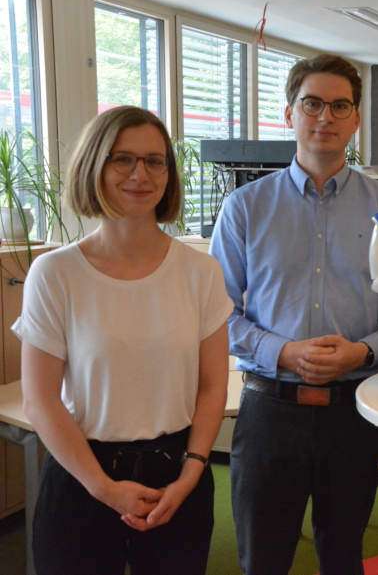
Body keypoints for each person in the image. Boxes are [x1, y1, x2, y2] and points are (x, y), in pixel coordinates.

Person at [16, 105, 232, 575]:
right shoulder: (55, 274)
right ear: (95, 165)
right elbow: (40, 399)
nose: (141, 174)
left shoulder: (200, 272)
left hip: (178, 475)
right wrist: (103, 487)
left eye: (155, 161)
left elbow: (213, 385)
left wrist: (192, 472)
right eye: (122, 159)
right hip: (82, 477)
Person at [209, 54, 378, 575]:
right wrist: (283, 351)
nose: (325, 117)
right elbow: (218, 315)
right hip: (270, 411)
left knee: (343, 556)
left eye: (340, 106)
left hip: (355, 411)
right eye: (312, 103)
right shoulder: (245, 207)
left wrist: (364, 350)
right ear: (288, 113)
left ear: (356, 118)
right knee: (263, 559)